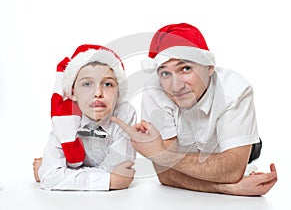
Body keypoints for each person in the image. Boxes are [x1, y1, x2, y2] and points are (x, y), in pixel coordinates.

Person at [111, 23, 277, 196]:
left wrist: (163, 155)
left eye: (185, 69)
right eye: (165, 73)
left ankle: (252, 146)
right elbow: (166, 176)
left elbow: (233, 170)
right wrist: (229, 188)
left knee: (252, 149)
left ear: (210, 67)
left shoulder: (235, 91)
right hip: (196, 154)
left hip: (226, 143)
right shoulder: (155, 90)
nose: (176, 87)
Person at [35, 44, 136, 191]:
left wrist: (60, 173)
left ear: (118, 92)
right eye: (87, 84)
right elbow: (49, 177)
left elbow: (119, 171)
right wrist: (108, 181)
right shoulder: (64, 122)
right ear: (73, 93)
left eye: (108, 84)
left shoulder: (124, 115)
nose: (97, 93)